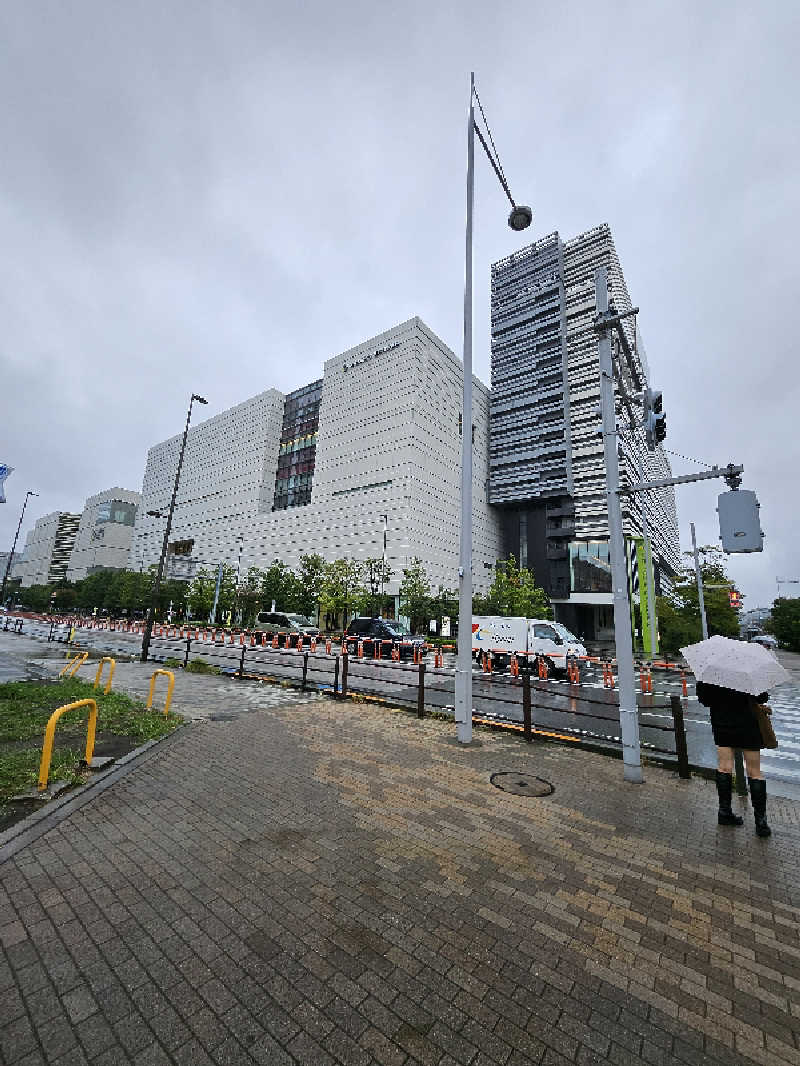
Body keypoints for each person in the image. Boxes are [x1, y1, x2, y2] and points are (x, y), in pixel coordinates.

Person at [695, 681, 771, 837]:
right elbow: (762, 697)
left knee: (724, 767)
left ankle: (724, 813)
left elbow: (704, 699)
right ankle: (761, 823)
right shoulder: (748, 668)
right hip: (748, 724)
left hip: (721, 723)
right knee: (754, 771)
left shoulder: (711, 671)